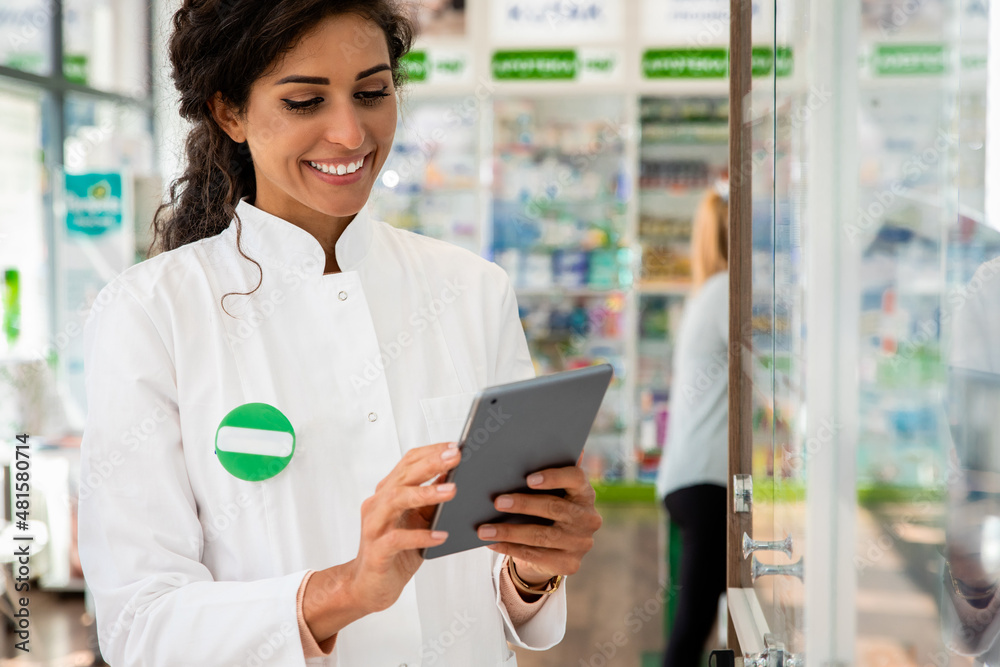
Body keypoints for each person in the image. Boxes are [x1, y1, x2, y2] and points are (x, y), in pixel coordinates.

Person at [76, 2, 602, 665]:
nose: (351, 134)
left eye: (372, 93)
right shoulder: (151, 313)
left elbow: (491, 578)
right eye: (305, 101)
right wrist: (346, 588)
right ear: (228, 112)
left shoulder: (472, 289)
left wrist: (534, 563)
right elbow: (142, 624)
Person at [655, 182, 730, 667]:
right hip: (705, 482)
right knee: (689, 636)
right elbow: (765, 368)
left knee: (710, 618)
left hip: (691, 478)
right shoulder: (726, 291)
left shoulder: (709, 291)